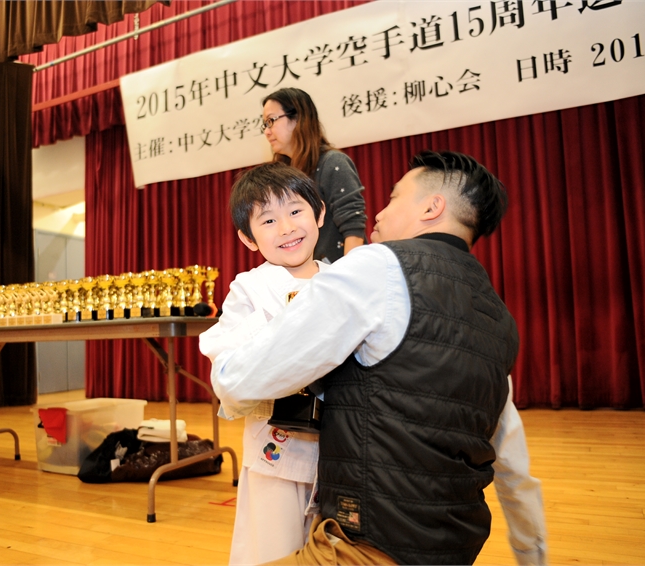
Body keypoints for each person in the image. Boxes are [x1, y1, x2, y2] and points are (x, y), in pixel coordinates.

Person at [210, 151, 547, 565]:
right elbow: (510, 452)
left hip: (364, 526)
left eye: (392, 197)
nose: (378, 213)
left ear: (431, 207)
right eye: (268, 221)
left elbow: (234, 380)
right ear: (248, 238)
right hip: (445, 536)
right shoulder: (495, 315)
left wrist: (230, 382)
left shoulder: (370, 268)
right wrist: (531, 551)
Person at [199, 162, 330, 565]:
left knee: (330, 549)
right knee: (270, 550)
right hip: (276, 450)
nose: (286, 228)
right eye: (268, 220)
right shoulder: (250, 288)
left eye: (296, 211)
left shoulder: (341, 280)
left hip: (337, 451)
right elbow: (226, 364)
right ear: (248, 238)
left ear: (320, 214)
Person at [262, 87, 367, 263]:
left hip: (338, 273)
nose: (267, 131)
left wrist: (348, 275)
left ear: (298, 119)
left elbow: (354, 231)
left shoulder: (333, 163)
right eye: (265, 124)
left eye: (271, 120)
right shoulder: (283, 176)